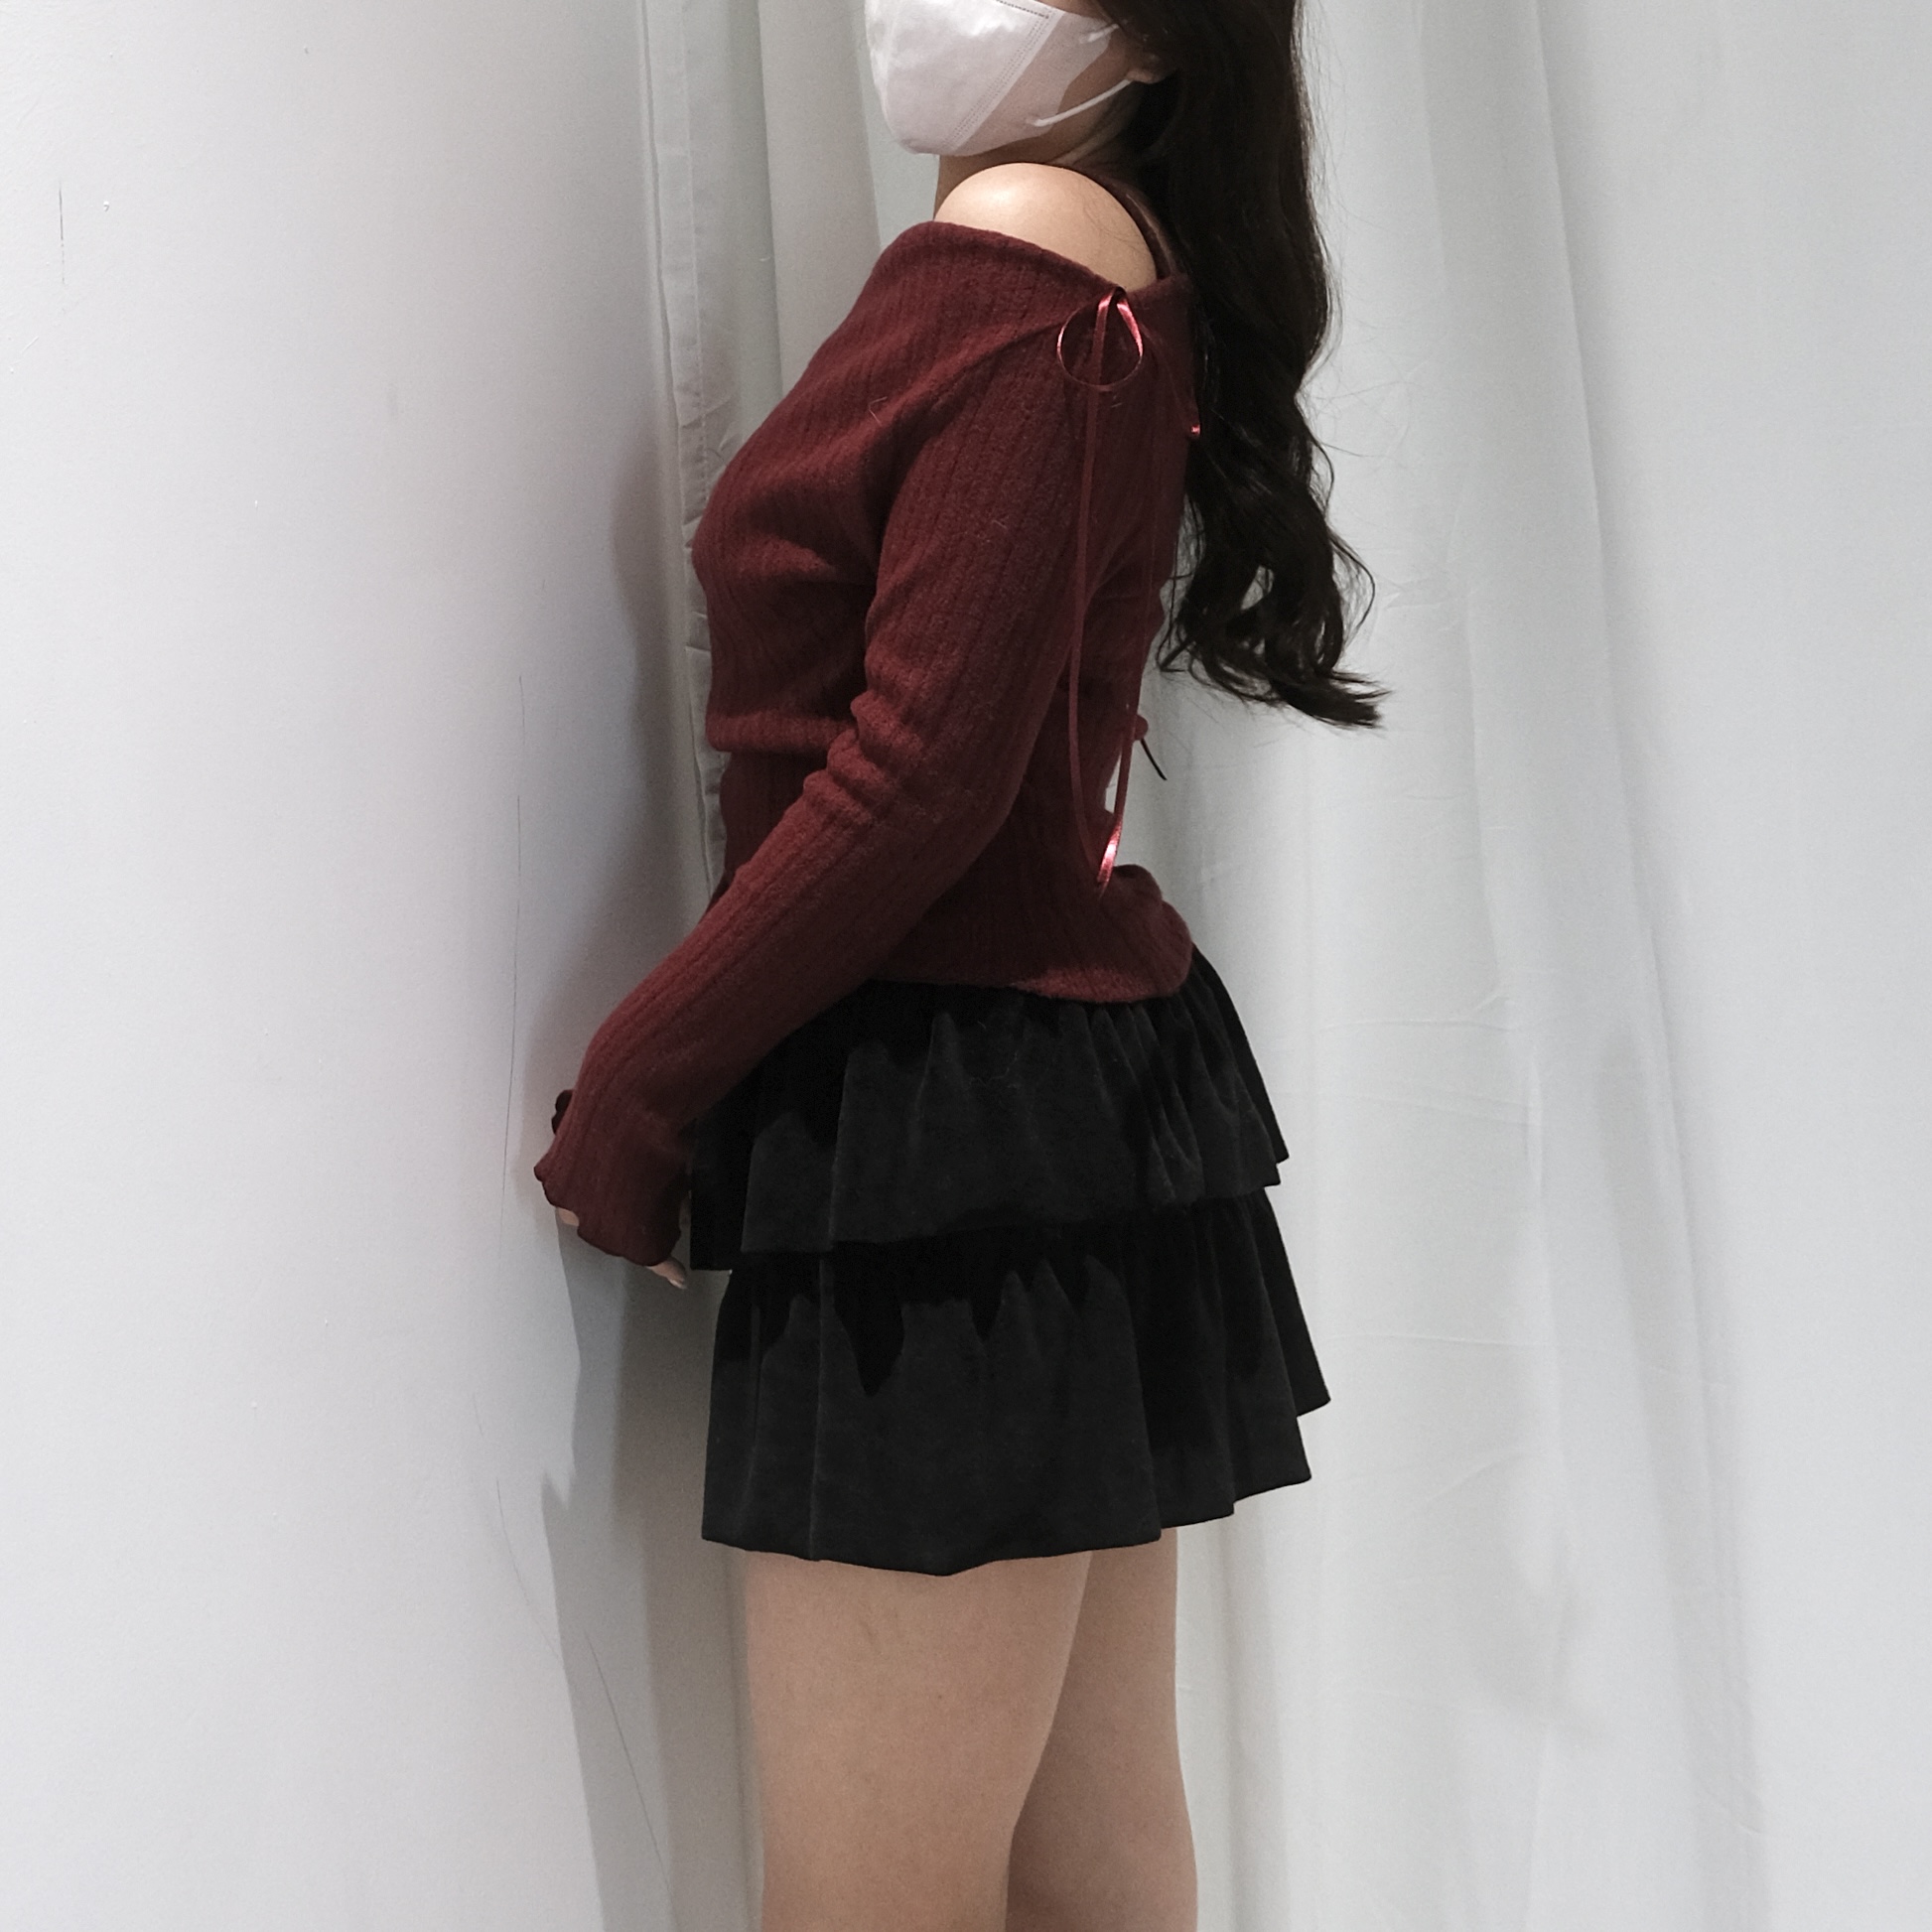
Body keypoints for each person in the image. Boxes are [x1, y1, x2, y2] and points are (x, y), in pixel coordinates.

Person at [536, 0, 1379, 1921]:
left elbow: (914, 777)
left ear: (1156, 39)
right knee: (1092, 1856)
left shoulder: (1019, 248)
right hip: (1063, 1114)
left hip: (944, 1139)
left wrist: (639, 1100)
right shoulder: (1106, 255)